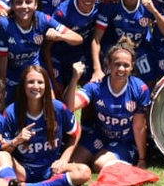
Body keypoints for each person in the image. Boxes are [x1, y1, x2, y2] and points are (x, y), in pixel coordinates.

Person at [64, 42, 152, 171]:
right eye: (117, 64)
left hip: (125, 140)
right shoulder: (96, 86)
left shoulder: (140, 89)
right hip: (100, 135)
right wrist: (74, 80)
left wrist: (142, 159)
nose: (121, 69)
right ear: (109, 65)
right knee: (73, 163)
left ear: (132, 66)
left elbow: (139, 127)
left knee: (99, 164)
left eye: (126, 65)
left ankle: (113, 156)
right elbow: (69, 107)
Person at [4, 65, 91, 186]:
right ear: (23, 86)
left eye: (40, 82)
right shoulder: (11, 112)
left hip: (52, 168)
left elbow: (75, 132)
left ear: (46, 86)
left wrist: (64, 159)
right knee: (2, 157)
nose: (36, 86)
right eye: (30, 82)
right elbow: (1, 149)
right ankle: (21, 183)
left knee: (84, 172)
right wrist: (16, 140)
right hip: (23, 170)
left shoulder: (57, 107)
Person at [0, 0, 80, 104]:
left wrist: (60, 36)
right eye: (19, 2)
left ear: (35, 5)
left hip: (34, 68)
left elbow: (77, 38)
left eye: (28, 2)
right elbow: (2, 61)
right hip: (11, 71)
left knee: (52, 105)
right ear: (12, 6)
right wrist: (2, 90)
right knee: (5, 109)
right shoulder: (5, 24)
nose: (24, 6)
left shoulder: (43, 19)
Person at [92, 0, 164, 83]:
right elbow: (96, 39)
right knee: (111, 80)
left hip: (140, 49)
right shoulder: (112, 4)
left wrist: (154, 11)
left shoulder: (148, 4)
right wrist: (97, 68)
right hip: (116, 49)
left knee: (149, 80)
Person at [49, 0, 101, 89]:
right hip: (60, 56)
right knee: (60, 95)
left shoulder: (100, 5)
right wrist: (52, 76)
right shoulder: (63, 13)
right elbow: (47, 46)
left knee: (92, 89)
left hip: (84, 54)